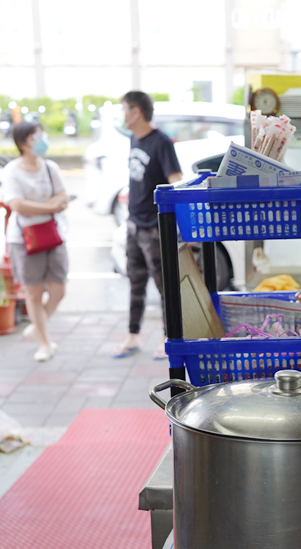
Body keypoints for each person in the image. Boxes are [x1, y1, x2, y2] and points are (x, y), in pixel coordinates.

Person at [111, 91, 182, 360]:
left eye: (123, 109)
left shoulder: (161, 142)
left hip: (154, 226)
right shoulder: (133, 139)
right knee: (135, 281)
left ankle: (170, 336)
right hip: (134, 223)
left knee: (165, 285)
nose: (121, 115)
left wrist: (169, 222)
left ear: (135, 112)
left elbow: (175, 180)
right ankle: (132, 335)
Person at [1, 121, 69, 362]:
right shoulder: (12, 170)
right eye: (34, 136)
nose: (41, 139)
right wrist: (50, 205)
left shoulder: (50, 167)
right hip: (23, 238)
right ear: (22, 143)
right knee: (33, 293)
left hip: (52, 233)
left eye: (41, 133)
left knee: (59, 289)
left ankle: (37, 327)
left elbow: (63, 197)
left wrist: (44, 207)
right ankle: (44, 342)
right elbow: (17, 205)